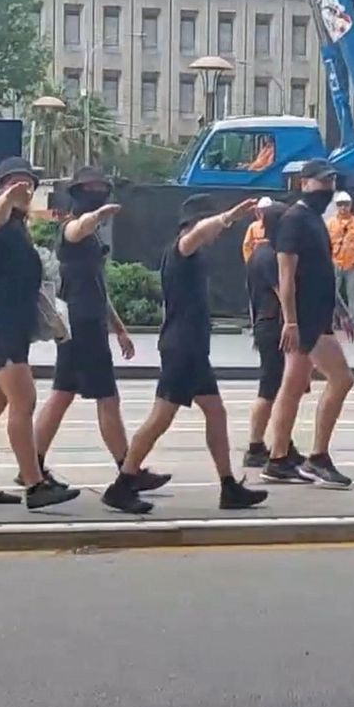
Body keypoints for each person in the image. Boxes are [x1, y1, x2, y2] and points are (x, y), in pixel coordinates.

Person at [104, 194, 267, 514]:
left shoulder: (190, 254)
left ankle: (228, 486)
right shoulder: (182, 249)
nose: (217, 235)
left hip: (192, 348)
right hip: (181, 348)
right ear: (193, 224)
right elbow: (198, 234)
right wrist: (227, 217)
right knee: (159, 419)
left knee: (215, 412)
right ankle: (122, 485)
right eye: (209, 224)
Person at [34, 167, 167, 490]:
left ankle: (32, 464)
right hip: (81, 326)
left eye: (101, 187)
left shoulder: (92, 237)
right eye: (90, 188)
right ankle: (127, 470)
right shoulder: (71, 229)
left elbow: (98, 287)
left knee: (63, 395)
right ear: (77, 194)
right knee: (106, 398)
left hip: (85, 324)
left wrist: (118, 327)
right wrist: (98, 216)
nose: (97, 192)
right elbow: (76, 229)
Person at [0, 157, 80, 510]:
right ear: (0, 189)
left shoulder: (18, 227)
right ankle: (34, 484)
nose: (23, 189)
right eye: (14, 183)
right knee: (23, 400)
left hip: (5, 324)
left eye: (28, 184)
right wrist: (6, 197)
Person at [261, 160, 354, 488]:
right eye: (322, 182)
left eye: (331, 181)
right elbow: (286, 276)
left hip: (315, 316)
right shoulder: (294, 221)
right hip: (306, 320)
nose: (328, 188)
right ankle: (317, 457)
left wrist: (341, 309)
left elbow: (322, 271)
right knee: (342, 379)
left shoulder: (314, 220)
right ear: (304, 183)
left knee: (291, 387)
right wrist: (290, 322)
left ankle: (278, 458)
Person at [244, 202, 289, 468]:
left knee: (280, 388)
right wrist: (294, 322)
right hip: (274, 325)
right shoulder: (271, 255)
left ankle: (281, 441)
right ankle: (256, 445)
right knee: (271, 388)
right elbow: (281, 292)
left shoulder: (259, 252)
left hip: (265, 323)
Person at [328, 191, 354, 326]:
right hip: (335, 264)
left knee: (353, 296)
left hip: (353, 265)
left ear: (350, 205)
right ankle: (331, 323)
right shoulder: (330, 224)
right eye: (340, 205)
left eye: (345, 205)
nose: (343, 208)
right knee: (331, 295)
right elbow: (325, 244)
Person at [241, 196, 275, 264]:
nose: (264, 213)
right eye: (262, 210)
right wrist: (249, 263)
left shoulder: (276, 225)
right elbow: (246, 246)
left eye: (266, 210)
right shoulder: (253, 227)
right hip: (257, 262)